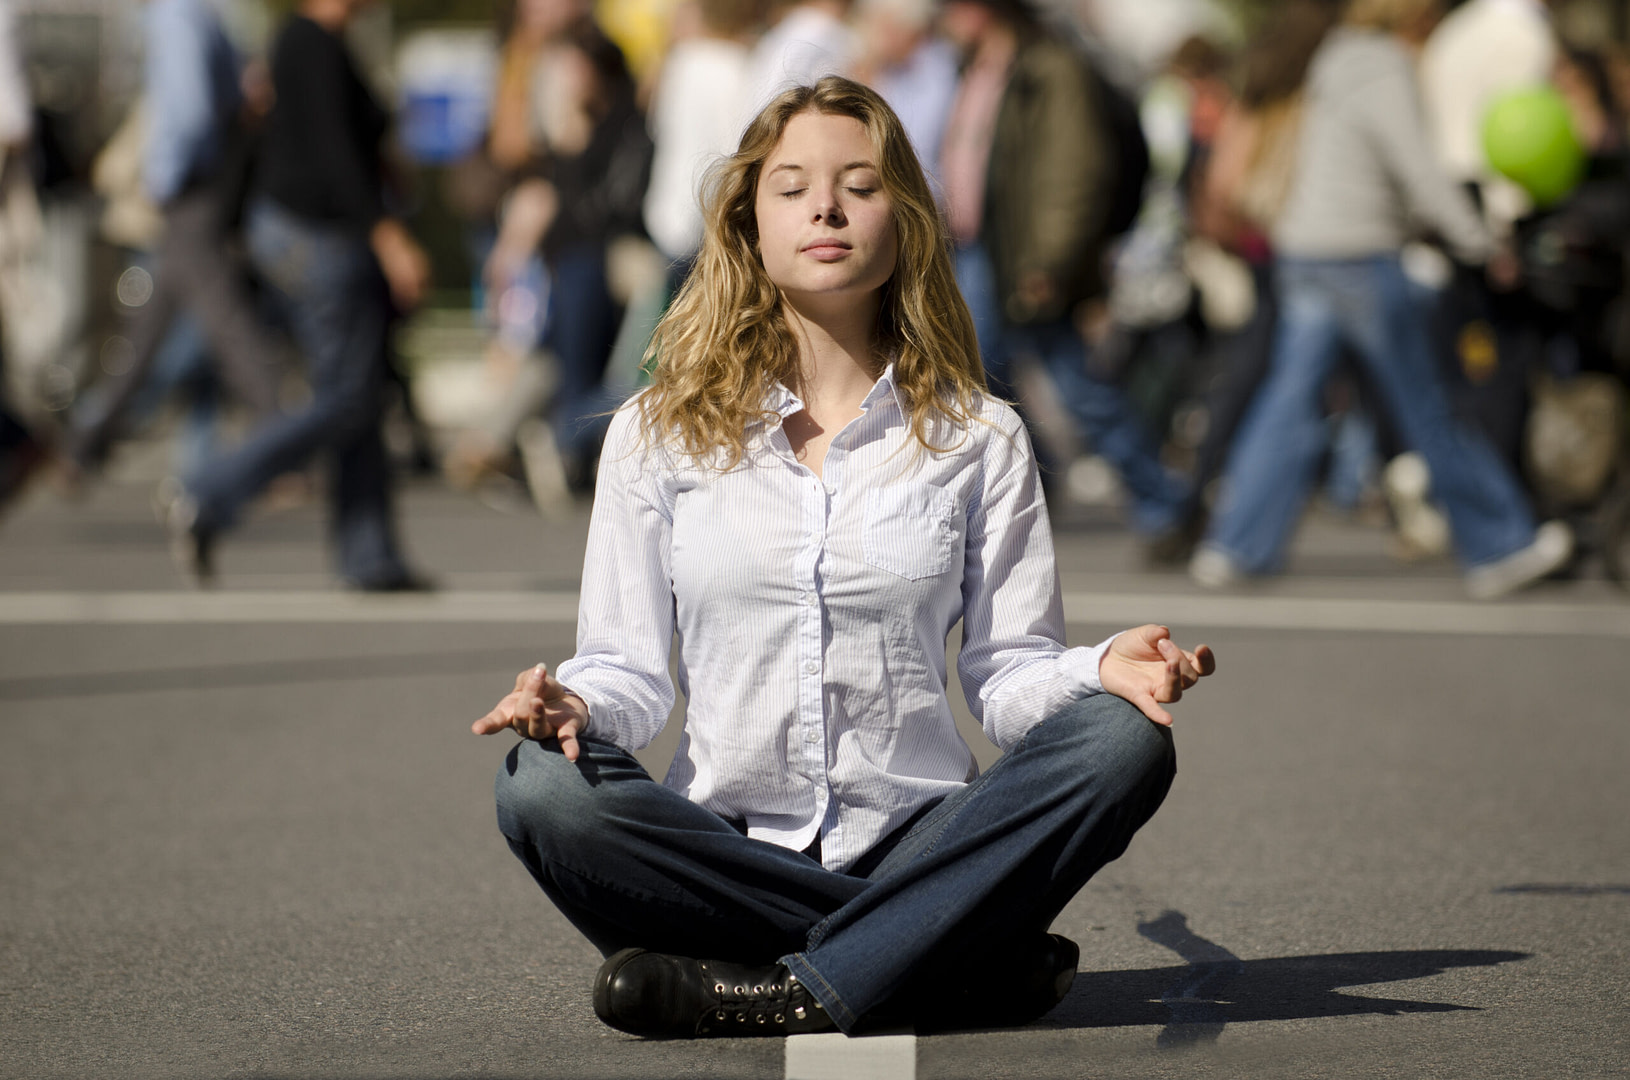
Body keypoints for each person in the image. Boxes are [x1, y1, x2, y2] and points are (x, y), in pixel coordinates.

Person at [472, 76, 1215, 1038]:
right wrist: (574, 703)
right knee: (541, 785)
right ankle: (940, 961)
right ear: (748, 224)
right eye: (792, 187)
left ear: (902, 219)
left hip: (920, 844)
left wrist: (1098, 672)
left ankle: (780, 988)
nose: (825, 206)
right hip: (723, 847)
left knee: (1123, 740)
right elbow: (628, 674)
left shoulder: (980, 437)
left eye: (858, 185)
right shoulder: (655, 434)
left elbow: (1007, 676)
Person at [1188, 0, 1572, 599]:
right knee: (1429, 403)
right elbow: (1418, 170)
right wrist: (1478, 244)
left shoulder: (1331, 57)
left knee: (1287, 402)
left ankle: (1233, 545)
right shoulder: (1380, 63)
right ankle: (1501, 544)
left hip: (1306, 246)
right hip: (1359, 253)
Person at [168, 0, 431, 589]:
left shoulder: (319, 45)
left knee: (359, 392)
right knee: (345, 394)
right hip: (318, 238)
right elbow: (336, 157)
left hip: (313, 235)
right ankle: (211, 490)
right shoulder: (307, 43)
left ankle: (370, 556)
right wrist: (389, 236)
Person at [937, 0, 1189, 540]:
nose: (943, 15)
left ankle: (1165, 502)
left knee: (1073, 385)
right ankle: (1030, 483)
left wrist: (1050, 259)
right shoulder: (977, 65)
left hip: (1024, 254)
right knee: (980, 376)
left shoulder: (1049, 67)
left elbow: (1074, 168)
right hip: (978, 251)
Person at [61, 0, 286, 487]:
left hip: (190, 190)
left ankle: (281, 443)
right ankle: (85, 444)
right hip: (204, 189)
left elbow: (189, 109)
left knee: (221, 327)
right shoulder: (200, 14)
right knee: (159, 328)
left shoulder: (176, 16)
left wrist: (163, 177)